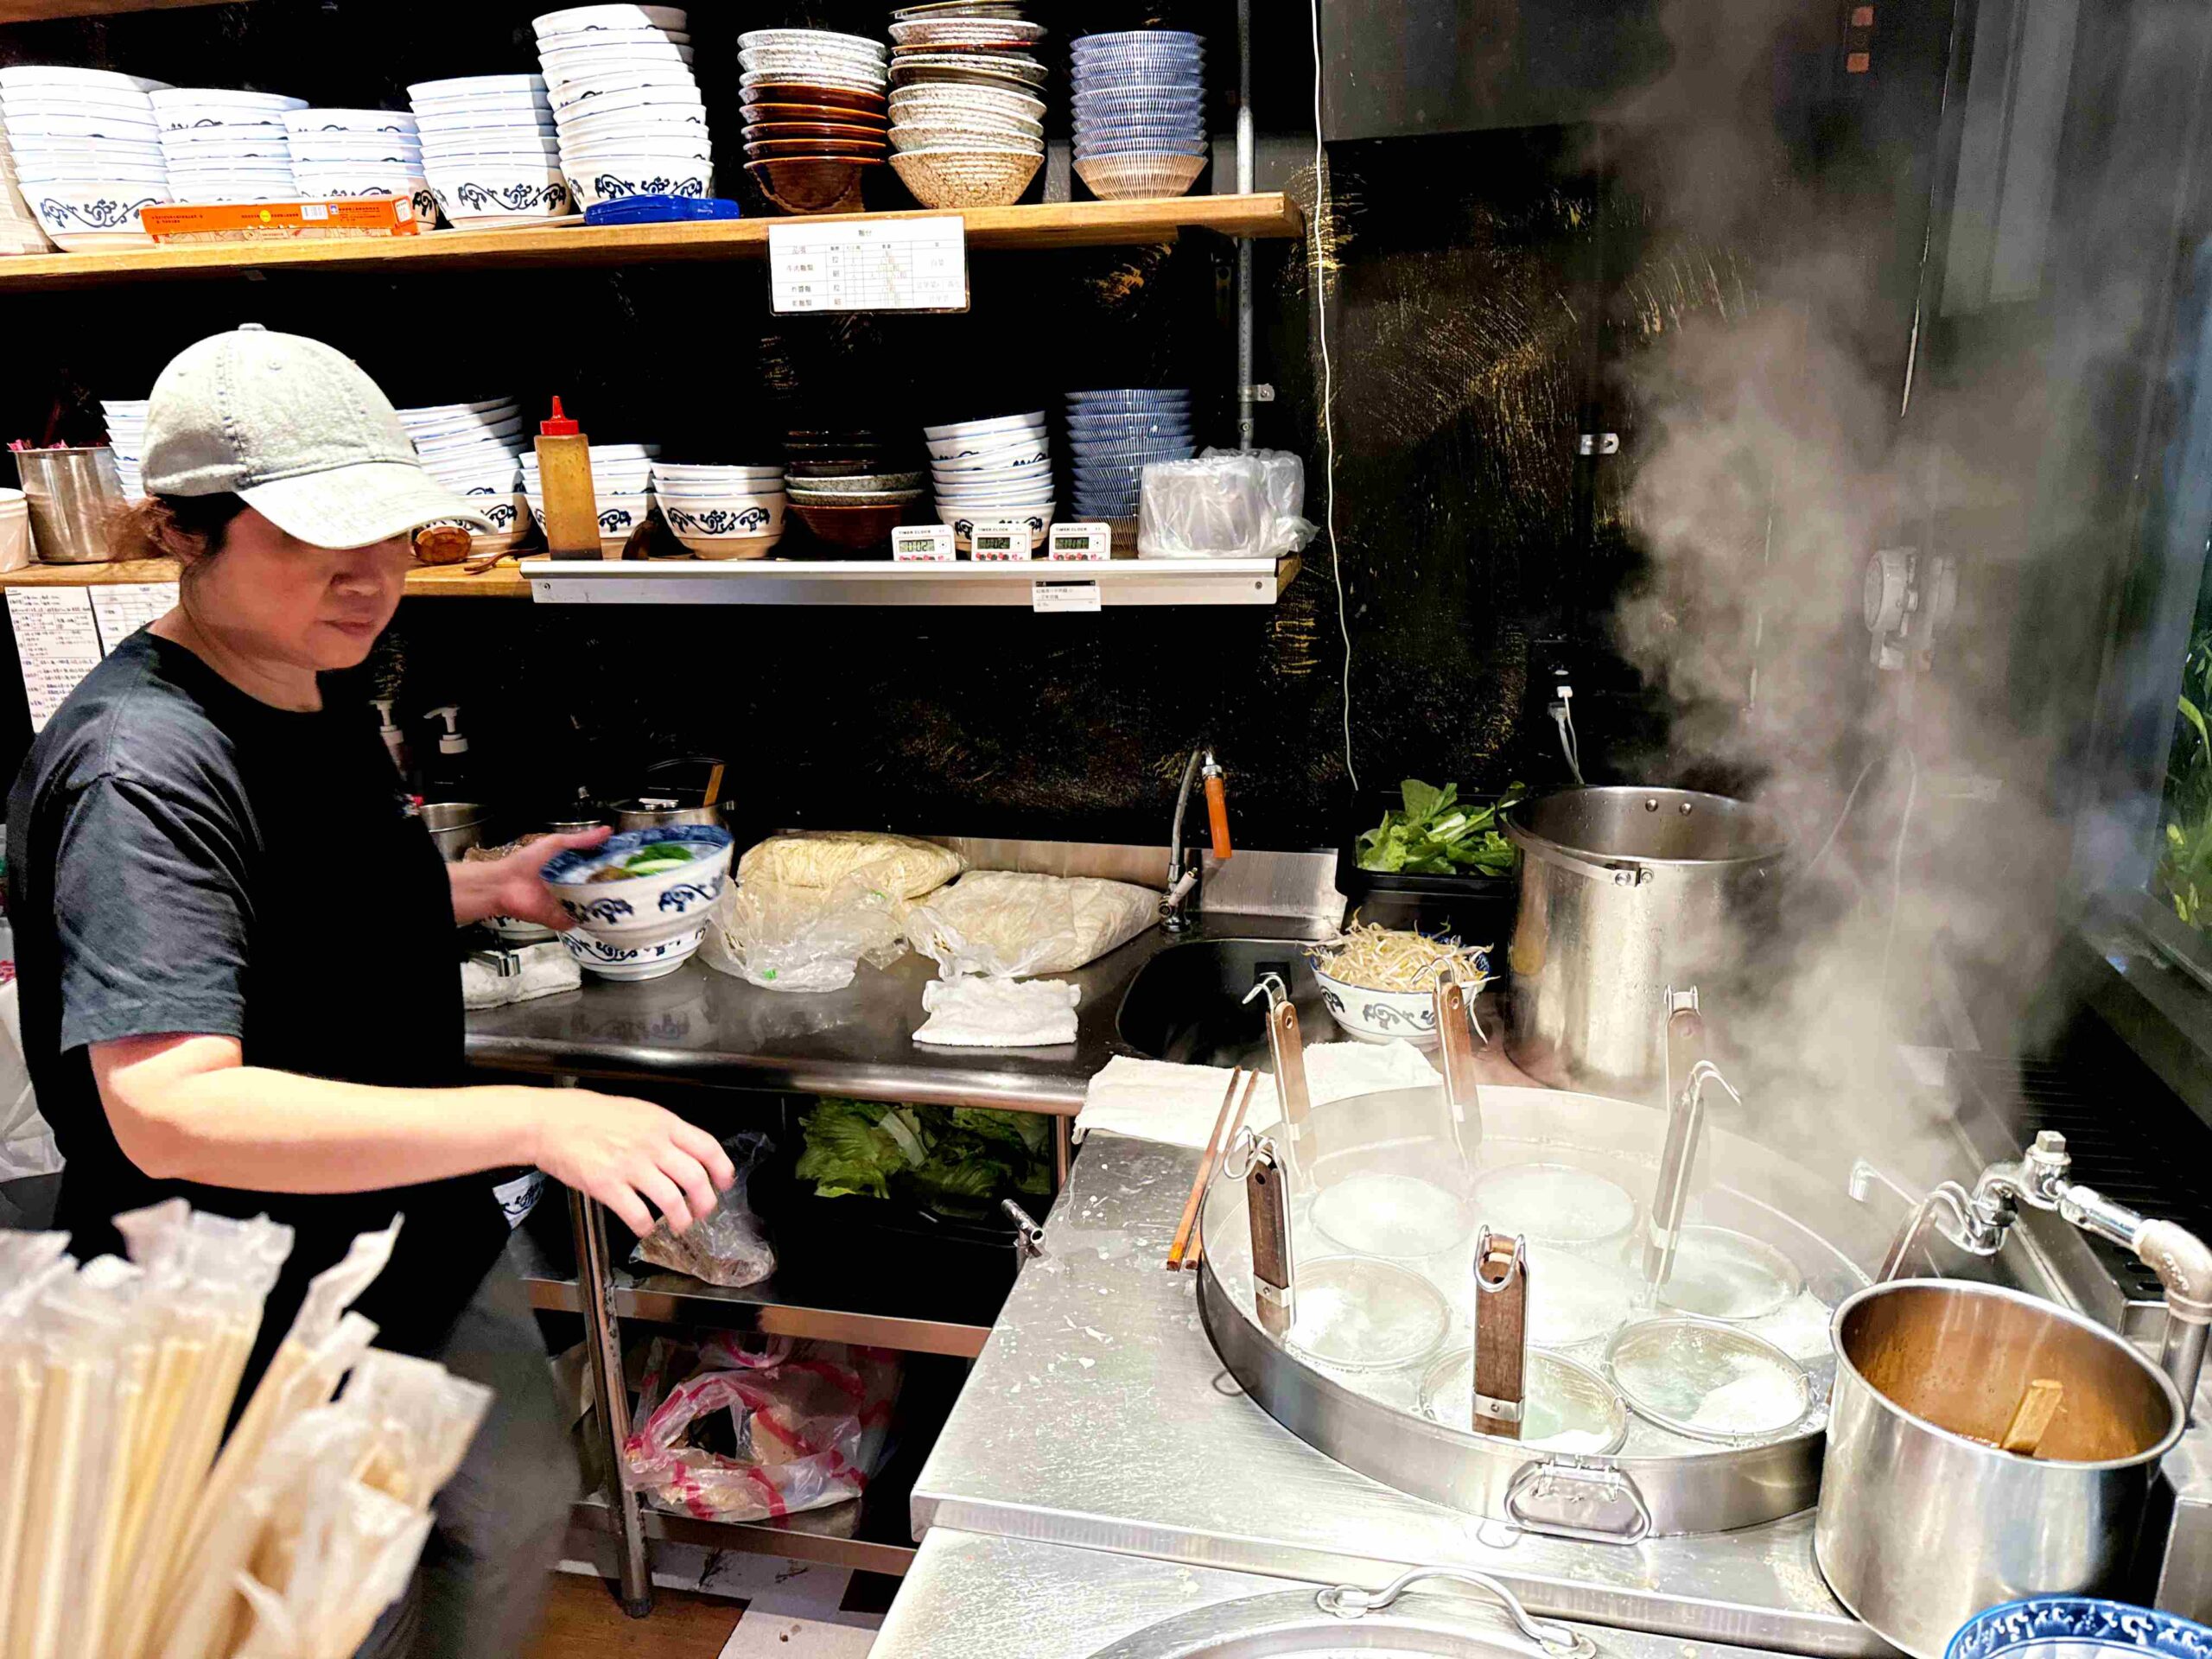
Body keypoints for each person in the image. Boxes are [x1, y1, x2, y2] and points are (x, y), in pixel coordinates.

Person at [4, 325, 734, 1658]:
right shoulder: (143, 771)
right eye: (314, 538)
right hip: (247, 1290)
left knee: (515, 1501)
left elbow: (280, 912)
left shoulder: (304, 674)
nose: (372, 578)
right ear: (180, 531)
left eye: (391, 532)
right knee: (328, 1604)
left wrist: (473, 889)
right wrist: (537, 1122)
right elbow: (167, 1109)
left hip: (411, 1233)